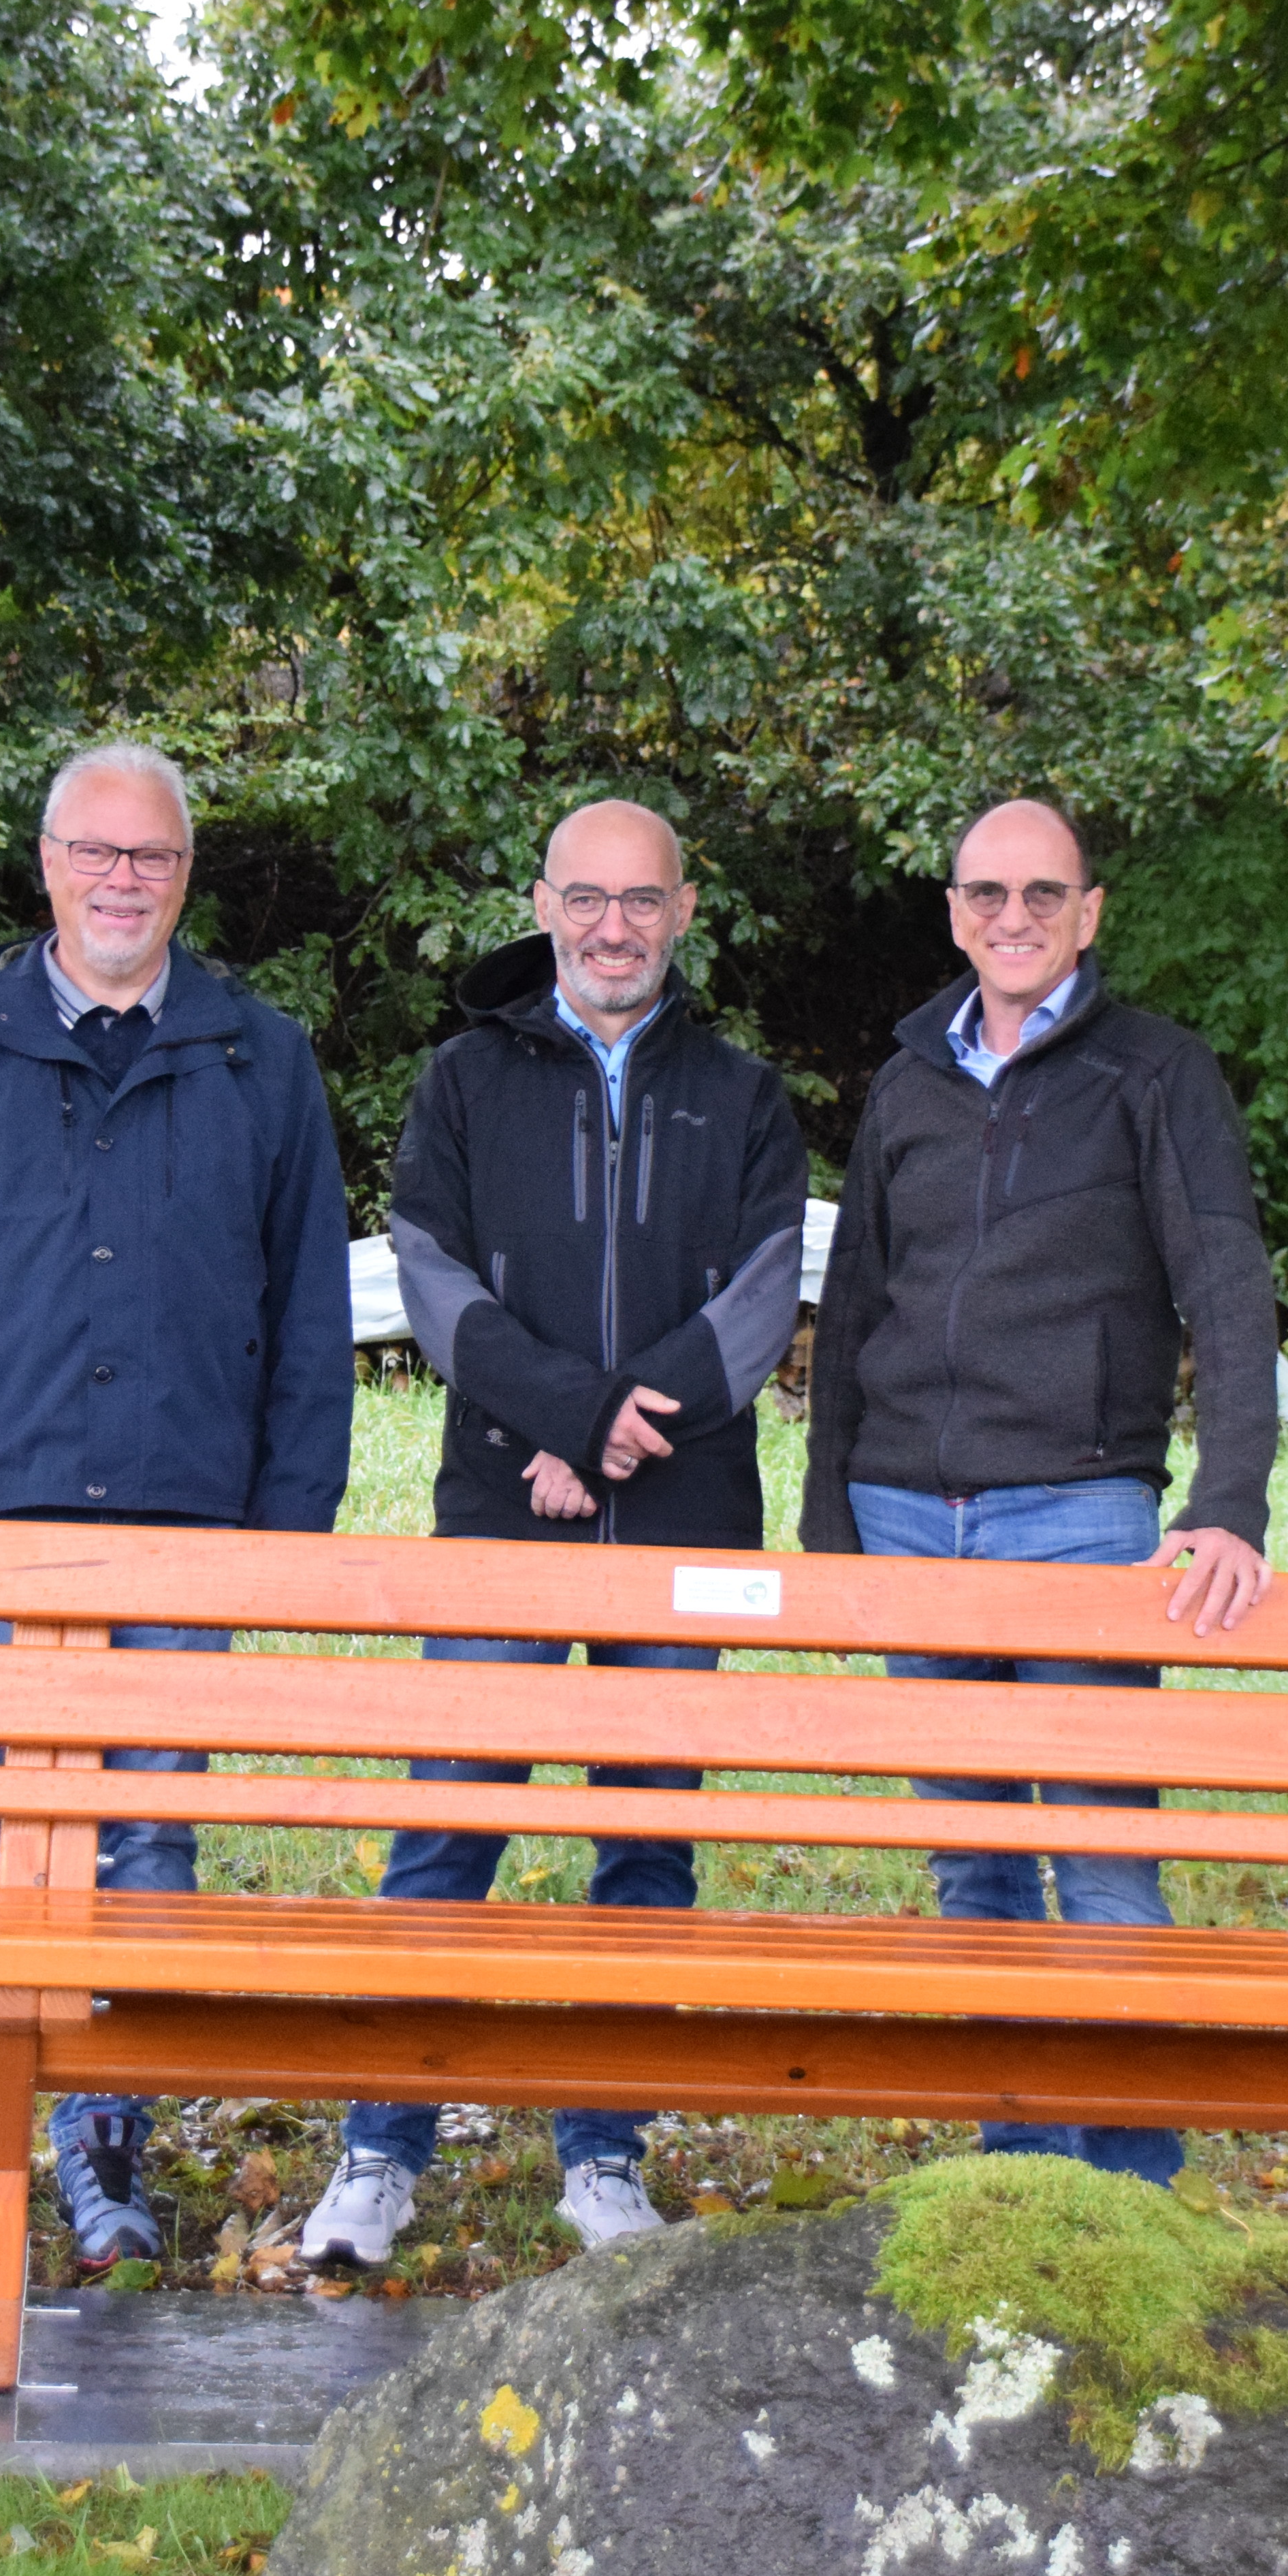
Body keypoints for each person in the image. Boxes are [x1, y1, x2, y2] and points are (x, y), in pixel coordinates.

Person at [0, 740, 354, 2267]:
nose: (124, 880)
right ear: (47, 863)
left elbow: (310, 1316)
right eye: (98, 853)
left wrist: (283, 1534)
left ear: (186, 876)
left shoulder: (263, 1059)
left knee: (142, 1843)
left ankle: (106, 2140)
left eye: (154, 858)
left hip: (186, 1523)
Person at [297, 798, 809, 2266]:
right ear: (541, 903)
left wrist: (619, 1425)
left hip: (683, 1506)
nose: (612, 926)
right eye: (585, 898)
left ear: (686, 909)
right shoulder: (465, 1080)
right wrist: (566, 1419)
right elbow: (436, 1279)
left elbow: (765, 1293)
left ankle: (605, 2151)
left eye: (641, 899)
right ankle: (381, 2151)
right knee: (446, 1819)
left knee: (647, 1835)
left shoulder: (744, 1092)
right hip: (502, 1499)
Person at [797, 794, 1278, 2189]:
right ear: (954, 911)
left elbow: (1227, 1293)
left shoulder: (1156, 1073)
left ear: (1090, 911)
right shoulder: (906, 1078)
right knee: (976, 1862)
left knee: (1101, 1850)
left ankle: (1131, 2194)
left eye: (1043, 894)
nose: (1014, 917)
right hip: (905, 1511)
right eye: (986, 894)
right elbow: (863, 1303)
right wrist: (834, 1518)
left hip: (1076, 1508)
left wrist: (1231, 1496)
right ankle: (1017, 2179)